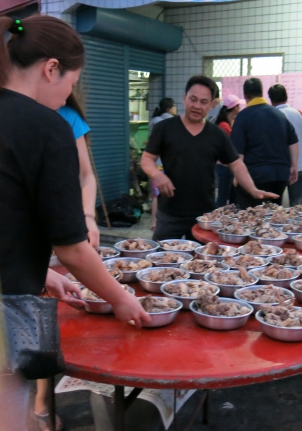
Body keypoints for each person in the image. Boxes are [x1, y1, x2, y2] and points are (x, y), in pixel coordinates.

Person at [0, 15, 150, 431]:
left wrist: (42, 274)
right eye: (72, 83)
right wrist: (120, 298)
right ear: (51, 68)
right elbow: (72, 248)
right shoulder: (46, 126)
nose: (69, 95)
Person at [141, 75, 278, 240]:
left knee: (205, 255)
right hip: (170, 213)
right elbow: (147, 159)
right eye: (193, 99)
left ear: (212, 104)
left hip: (204, 216)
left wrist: (252, 189)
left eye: (204, 102)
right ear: (184, 99)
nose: (197, 106)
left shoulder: (217, 134)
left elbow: (236, 165)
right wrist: (157, 175)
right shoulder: (164, 128)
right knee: (161, 254)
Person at [34, 92, 100, 431]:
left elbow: (86, 176)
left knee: (53, 308)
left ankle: (41, 397)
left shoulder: (68, 117)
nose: (70, 90)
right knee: (35, 313)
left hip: (64, 224)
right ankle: (39, 400)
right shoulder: (16, 111)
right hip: (27, 230)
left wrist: (88, 217)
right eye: (70, 80)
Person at [230, 78, 299, 209]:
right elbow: (293, 141)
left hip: (255, 175)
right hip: (280, 175)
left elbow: (238, 151)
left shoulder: (243, 117)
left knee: (251, 215)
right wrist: (294, 166)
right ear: (262, 93)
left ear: (245, 95)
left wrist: (237, 175)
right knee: (272, 214)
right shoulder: (279, 115)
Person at [268, 84, 302, 207]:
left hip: (278, 168)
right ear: (286, 97)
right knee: (297, 206)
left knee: (273, 206)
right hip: (299, 166)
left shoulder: (272, 115)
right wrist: (295, 150)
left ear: (271, 99)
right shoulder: (298, 113)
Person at [148, 98, 177, 230]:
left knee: (156, 194)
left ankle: (154, 222)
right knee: (162, 194)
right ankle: (158, 222)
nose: (176, 108)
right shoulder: (169, 122)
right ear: (169, 109)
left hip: (154, 164)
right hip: (163, 164)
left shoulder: (154, 121)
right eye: (174, 106)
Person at [215, 94, 245, 207]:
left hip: (228, 167)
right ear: (235, 107)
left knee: (231, 200)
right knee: (223, 200)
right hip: (225, 167)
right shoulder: (224, 126)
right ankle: (217, 218)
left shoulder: (229, 123)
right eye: (238, 106)